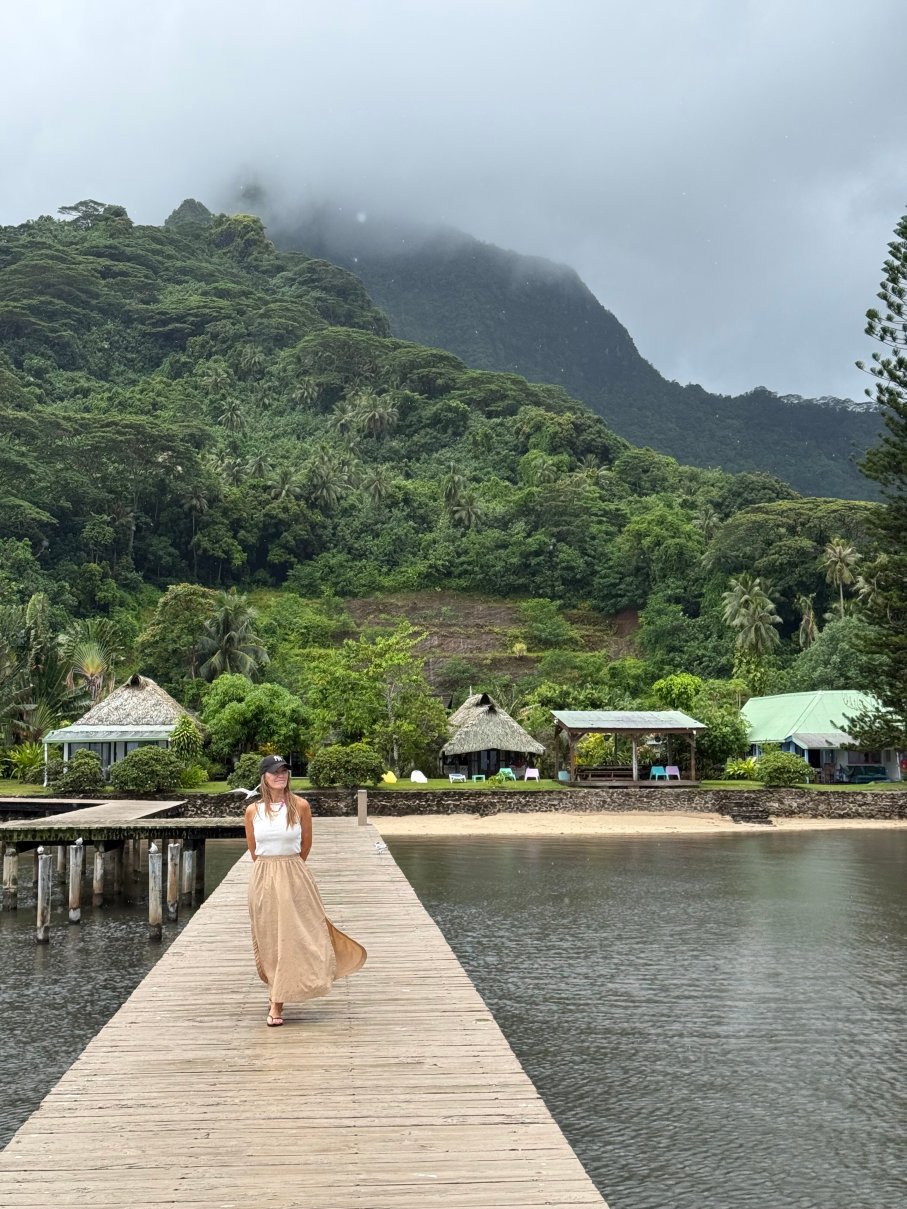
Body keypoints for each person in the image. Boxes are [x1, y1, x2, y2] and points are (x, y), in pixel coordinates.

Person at [244, 754, 366, 1026]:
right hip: (263, 876)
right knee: (269, 939)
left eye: (284, 771)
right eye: (275, 771)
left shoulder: (300, 806)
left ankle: (277, 1003)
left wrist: (289, 870)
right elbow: (253, 850)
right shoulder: (253, 811)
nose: (280, 775)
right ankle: (276, 990)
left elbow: (305, 845)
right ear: (264, 776)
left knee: (295, 937)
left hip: (294, 873)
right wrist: (270, 872)